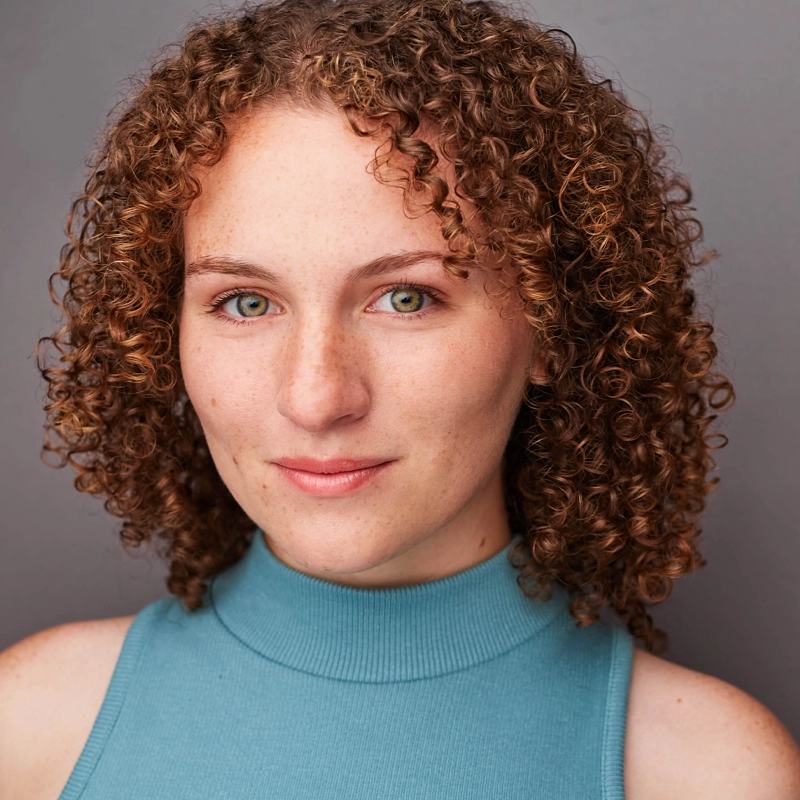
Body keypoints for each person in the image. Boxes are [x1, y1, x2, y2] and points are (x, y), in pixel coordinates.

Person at [1, 0, 799, 796]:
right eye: (246, 302)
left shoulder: (710, 775)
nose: (317, 398)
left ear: (552, 326)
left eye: (406, 299)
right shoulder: (30, 731)